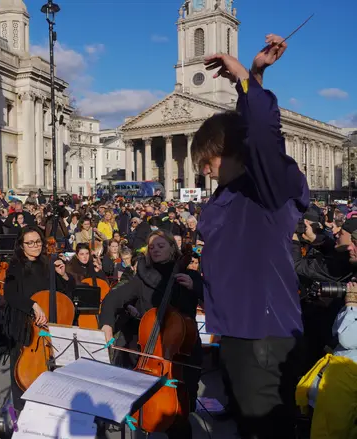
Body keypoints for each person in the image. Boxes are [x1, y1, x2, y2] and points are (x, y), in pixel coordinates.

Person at [192, 34, 307, 439]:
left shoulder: (268, 188)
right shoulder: (232, 194)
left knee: (265, 431)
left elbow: (260, 133)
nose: (204, 171)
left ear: (229, 151)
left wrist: (248, 76)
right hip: (238, 332)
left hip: (265, 336)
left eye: (207, 161)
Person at [99, 230, 203, 439]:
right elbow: (113, 299)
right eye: (151, 246)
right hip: (151, 355)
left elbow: (214, 300)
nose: (155, 249)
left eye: (160, 246)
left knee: (180, 419)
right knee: (146, 410)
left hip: (182, 355)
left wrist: (195, 288)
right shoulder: (142, 278)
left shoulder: (189, 275)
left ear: (172, 248)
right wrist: (107, 325)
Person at [3, 226, 73, 410]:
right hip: (25, 328)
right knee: (22, 374)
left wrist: (63, 275)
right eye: (30, 243)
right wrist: (33, 305)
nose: (35, 246)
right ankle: (22, 413)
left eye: (38, 242)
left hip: (49, 327)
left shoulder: (47, 264)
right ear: (21, 245)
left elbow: (65, 294)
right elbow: (10, 295)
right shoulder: (16, 267)